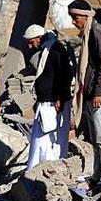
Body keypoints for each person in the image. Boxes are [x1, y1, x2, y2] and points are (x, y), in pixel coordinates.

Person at [68, 0, 101, 192]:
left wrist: (98, 92)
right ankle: (98, 175)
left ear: (86, 16)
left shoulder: (98, 32)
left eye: (75, 17)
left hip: (99, 94)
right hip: (91, 93)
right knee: (96, 136)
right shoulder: (89, 33)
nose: (74, 22)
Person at [23, 24, 73, 170]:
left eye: (31, 42)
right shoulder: (47, 49)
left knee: (49, 138)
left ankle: (49, 168)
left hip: (53, 103)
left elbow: (65, 75)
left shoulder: (56, 49)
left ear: (39, 37)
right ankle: (38, 168)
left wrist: (60, 98)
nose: (30, 46)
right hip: (46, 102)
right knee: (41, 139)